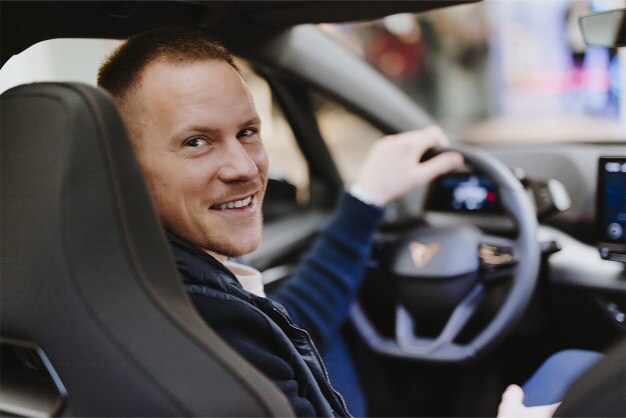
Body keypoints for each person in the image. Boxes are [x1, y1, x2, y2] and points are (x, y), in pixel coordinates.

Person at [97, 26, 586, 417]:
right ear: (122, 164)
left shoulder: (142, 288)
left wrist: (365, 201)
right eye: (196, 142)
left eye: (247, 132)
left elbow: (291, 322)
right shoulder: (202, 327)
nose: (244, 168)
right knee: (575, 370)